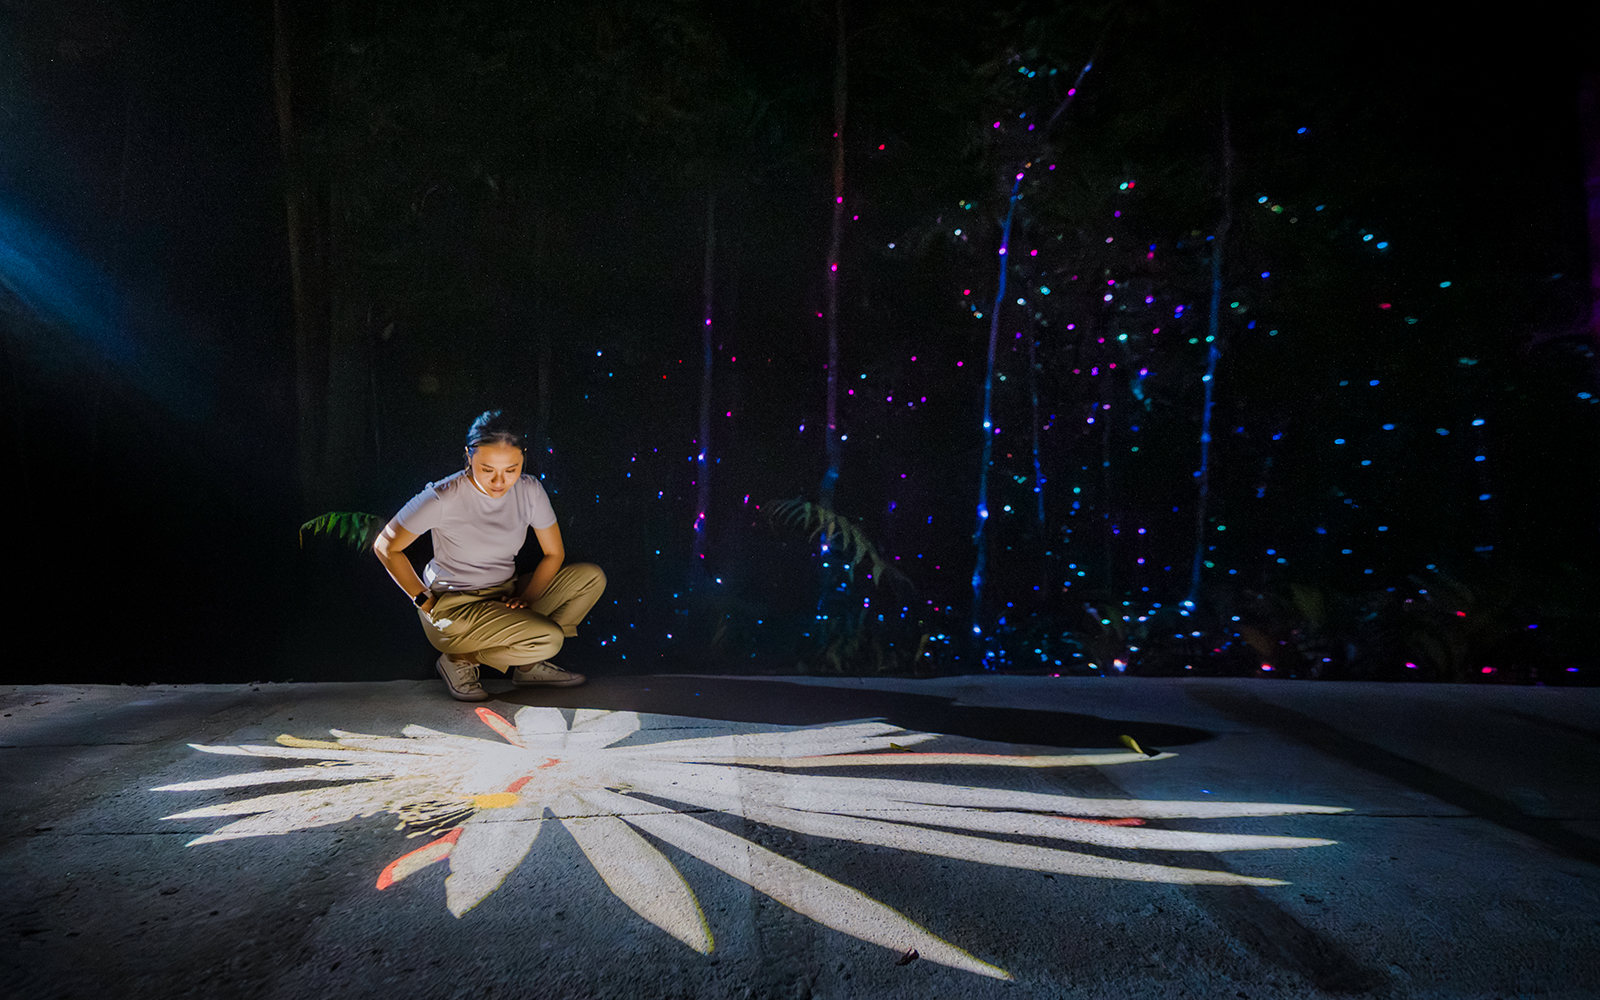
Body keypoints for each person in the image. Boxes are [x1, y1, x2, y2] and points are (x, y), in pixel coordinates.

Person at [373, 410, 606, 701]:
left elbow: (554, 553)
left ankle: (525, 666)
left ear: (523, 457)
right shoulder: (442, 496)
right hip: (455, 607)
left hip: (504, 595)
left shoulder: (530, 489)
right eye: (487, 469)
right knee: (550, 638)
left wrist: (527, 598)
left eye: (511, 469)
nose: (500, 481)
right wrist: (423, 600)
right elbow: (385, 546)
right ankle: (460, 658)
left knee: (590, 578)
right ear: (469, 457)